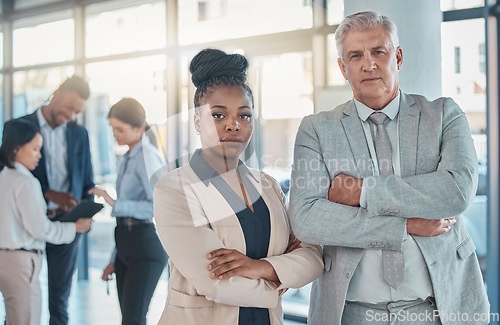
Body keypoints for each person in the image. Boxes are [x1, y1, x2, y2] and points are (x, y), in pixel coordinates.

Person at [290, 11, 490, 325]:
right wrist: (405, 225)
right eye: (355, 56)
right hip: (351, 313)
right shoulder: (316, 129)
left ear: (397, 57)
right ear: (343, 68)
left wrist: (362, 191)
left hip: (439, 310)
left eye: (378, 52)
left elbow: (456, 191)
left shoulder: (444, 116)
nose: (368, 64)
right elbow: (306, 218)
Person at [153, 48, 324, 325]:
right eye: (218, 115)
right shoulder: (174, 189)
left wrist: (260, 268)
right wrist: (280, 279)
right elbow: (216, 283)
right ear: (197, 121)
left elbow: (314, 257)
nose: (233, 125)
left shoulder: (268, 186)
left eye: (244, 116)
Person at [17, 75, 94, 325]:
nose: (71, 115)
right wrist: (49, 193)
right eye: (69, 107)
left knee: (59, 300)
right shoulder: (19, 127)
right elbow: (8, 173)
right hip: (28, 221)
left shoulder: (79, 133)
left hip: (67, 223)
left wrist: (87, 210)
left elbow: (87, 181)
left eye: (77, 111)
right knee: (21, 297)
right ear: (57, 93)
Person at [0, 119, 92, 325]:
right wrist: (74, 227)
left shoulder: (4, 178)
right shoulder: (27, 182)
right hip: (22, 263)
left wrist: (49, 212)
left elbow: (15, 216)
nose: (39, 156)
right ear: (16, 149)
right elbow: (41, 230)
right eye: (34, 149)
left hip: (5, 260)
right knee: (26, 320)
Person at [88, 98, 168, 325]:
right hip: (126, 243)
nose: (115, 134)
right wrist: (114, 258)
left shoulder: (147, 156)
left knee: (133, 319)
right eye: (113, 128)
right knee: (129, 319)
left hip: (144, 247)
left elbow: (159, 205)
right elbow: (124, 221)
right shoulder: (126, 158)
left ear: (138, 128)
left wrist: (113, 202)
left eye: (120, 129)